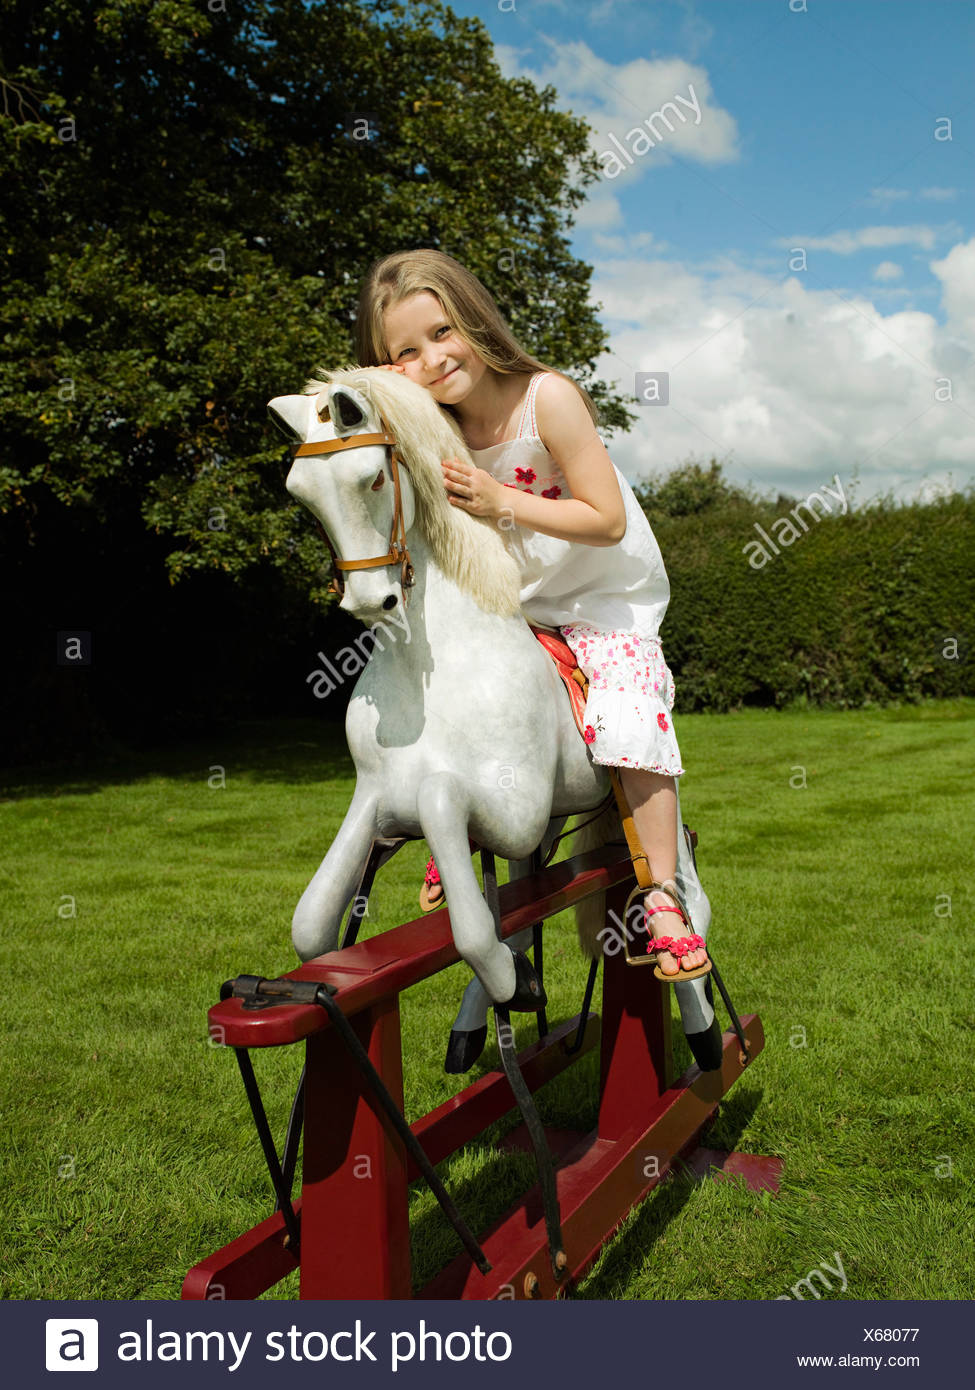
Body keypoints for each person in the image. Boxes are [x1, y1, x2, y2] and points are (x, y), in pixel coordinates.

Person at [353, 249, 707, 980]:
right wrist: (383, 391)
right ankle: (460, 825)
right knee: (467, 693)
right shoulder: (433, 420)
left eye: (443, 332)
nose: (433, 359)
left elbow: (606, 519)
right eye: (406, 353)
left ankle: (662, 895)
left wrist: (502, 502)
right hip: (514, 595)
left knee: (627, 708)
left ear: (475, 319)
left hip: (600, 593)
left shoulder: (547, 398)